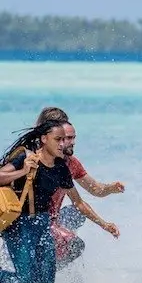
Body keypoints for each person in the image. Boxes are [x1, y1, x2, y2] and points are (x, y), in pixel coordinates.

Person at [0, 119, 120, 283]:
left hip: (44, 226)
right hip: (20, 227)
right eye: (58, 139)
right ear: (44, 139)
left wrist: (103, 224)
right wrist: (23, 172)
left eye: (65, 139)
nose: (63, 144)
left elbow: (79, 202)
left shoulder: (62, 169)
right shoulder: (26, 157)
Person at [33, 107, 124, 270]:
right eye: (66, 138)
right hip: (37, 222)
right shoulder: (36, 160)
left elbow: (95, 189)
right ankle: (45, 270)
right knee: (76, 245)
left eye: (72, 137)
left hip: (54, 219)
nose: (71, 142)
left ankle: (57, 253)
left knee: (76, 215)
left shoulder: (70, 163)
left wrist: (111, 188)